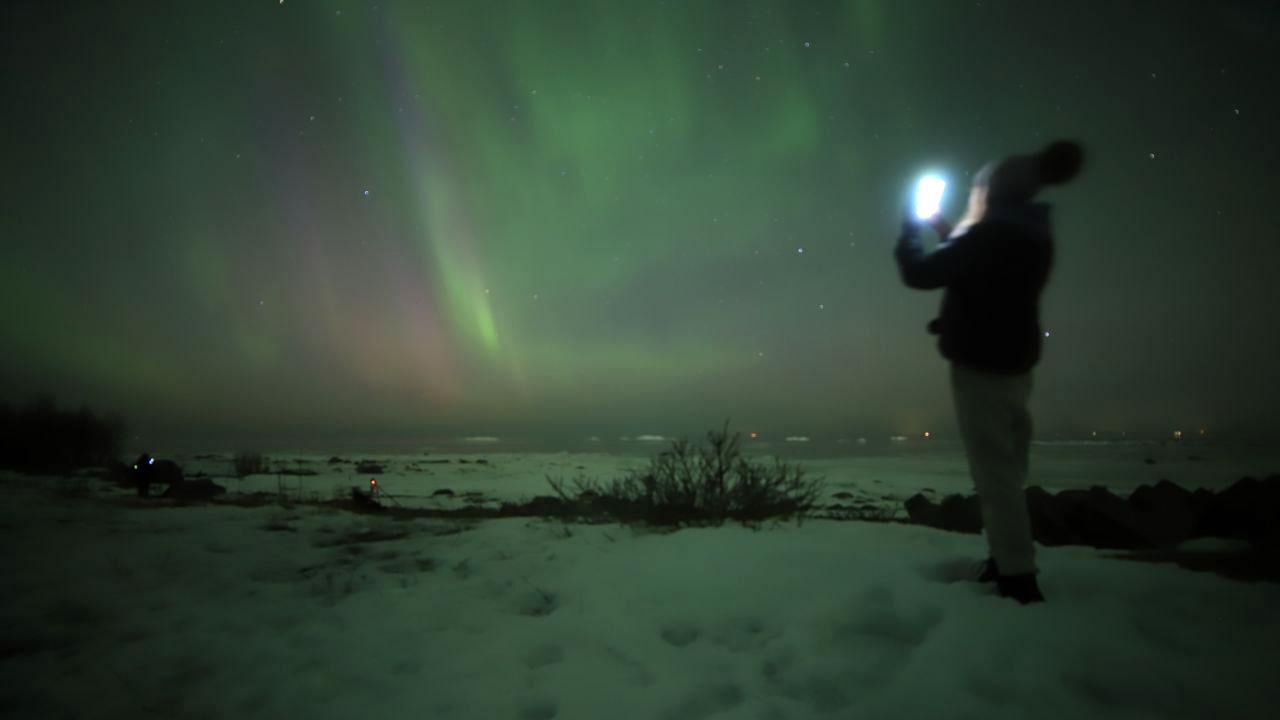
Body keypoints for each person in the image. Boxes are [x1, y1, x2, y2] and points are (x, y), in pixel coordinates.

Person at [894, 140, 1085, 605]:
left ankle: (1017, 578)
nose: (974, 197)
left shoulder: (988, 237)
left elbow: (921, 273)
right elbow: (976, 265)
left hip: (981, 367)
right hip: (1016, 364)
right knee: (1008, 466)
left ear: (992, 194)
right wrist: (945, 227)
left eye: (980, 190)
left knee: (994, 474)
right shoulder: (1031, 233)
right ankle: (1007, 559)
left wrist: (908, 231)